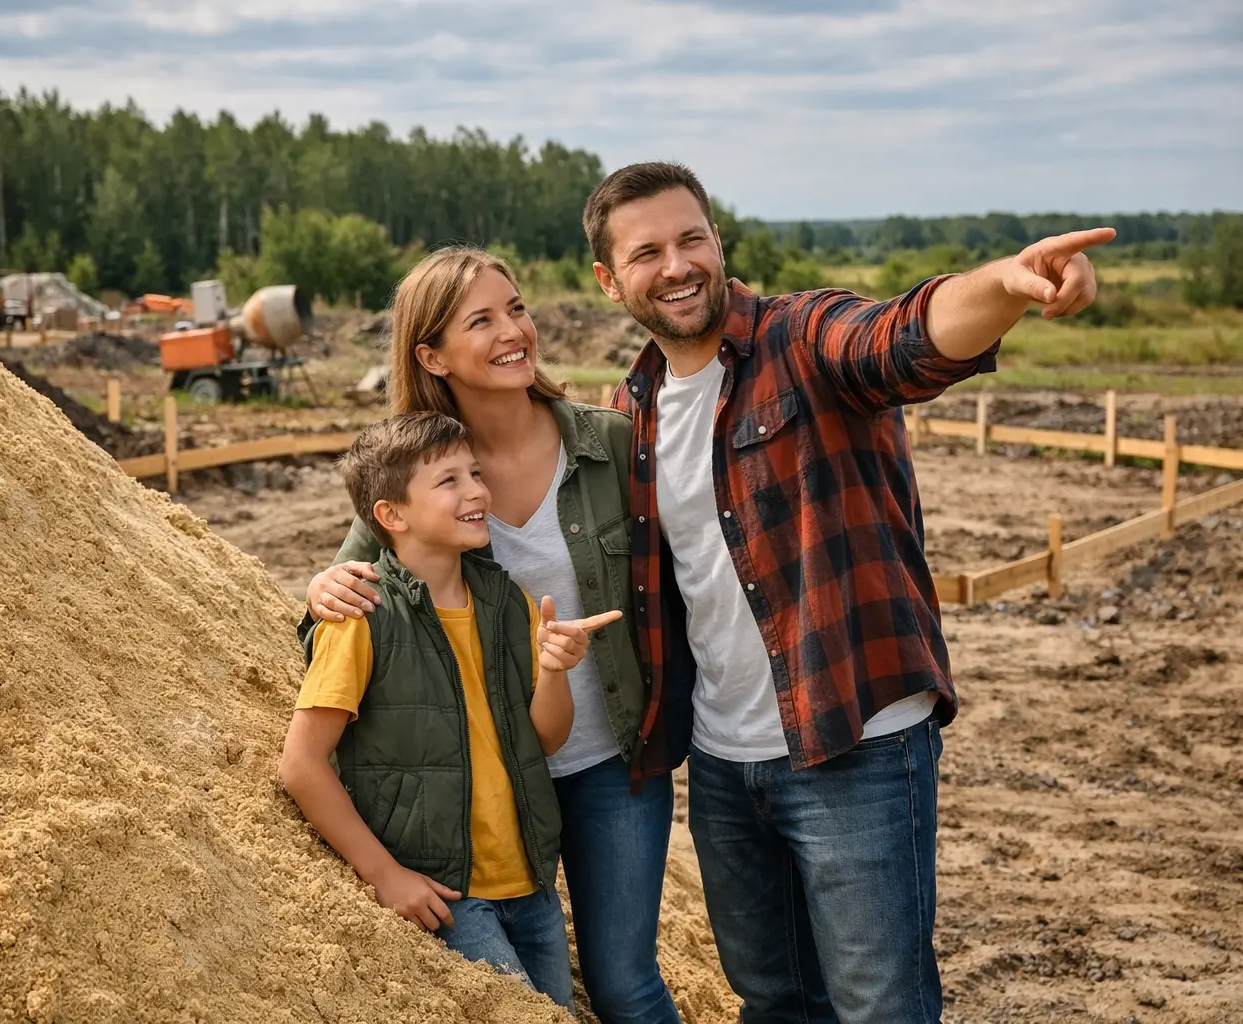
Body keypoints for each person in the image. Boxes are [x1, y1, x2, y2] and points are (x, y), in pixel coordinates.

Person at [581, 160, 1112, 1024]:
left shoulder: (803, 339)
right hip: (722, 760)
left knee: (881, 1009)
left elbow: (906, 335)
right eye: (647, 253)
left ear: (719, 243)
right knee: (776, 1001)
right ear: (610, 281)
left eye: (691, 239)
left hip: (855, 746)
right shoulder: (631, 409)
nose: (676, 265)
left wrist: (1011, 285)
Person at [303, 247, 685, 1024]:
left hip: (608, 760)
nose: (514, 330)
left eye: (516, 308)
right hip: (497, 781)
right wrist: (319, 589)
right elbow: (348, 594)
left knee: (624, 986)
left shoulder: (609, 443)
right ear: (431, 354)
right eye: (482, 319)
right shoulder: (422, 468)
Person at [279, 410, 622, 1011]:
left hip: (531, 885)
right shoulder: (361, 617)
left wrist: (553, 670)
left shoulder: (505, 601)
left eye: (475, 473)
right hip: (445, 892)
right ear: (391, 515)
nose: (477, 492)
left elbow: (544, 739)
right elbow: (302, 765)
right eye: (449, 481)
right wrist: (385, 876)